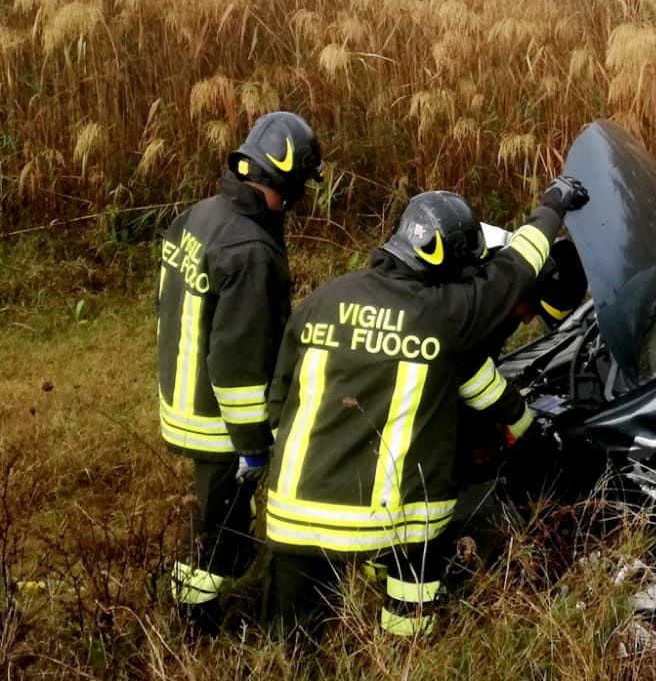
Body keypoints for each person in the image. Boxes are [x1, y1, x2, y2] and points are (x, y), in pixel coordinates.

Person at [262, 178, 589, 639]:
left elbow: (277, 399)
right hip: (396, 520)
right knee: (410, 619)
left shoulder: (323, 299)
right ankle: (402, 650)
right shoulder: (446, 314)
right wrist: (524, 427)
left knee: (288, 643)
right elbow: (515, 271)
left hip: (294, 510)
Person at [156, 111, 322, 636]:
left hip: (183, 395)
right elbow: (239, 359)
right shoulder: (250, 250)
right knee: (217, 524)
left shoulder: (201, 214)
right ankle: (195, 625)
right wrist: (253, 443)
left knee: (211, 514)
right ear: (290, 185)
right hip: (220, 419)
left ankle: (199, 599)